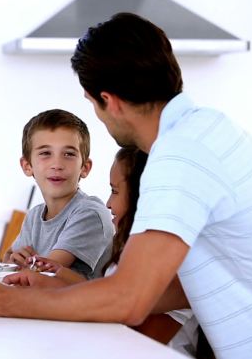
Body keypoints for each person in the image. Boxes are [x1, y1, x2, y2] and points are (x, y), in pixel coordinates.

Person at [0, 13, 252, 359]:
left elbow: (129, 300)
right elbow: (177, 290)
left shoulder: (180, 155)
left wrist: (2, 301)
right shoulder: (209, 131)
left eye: (92, 105)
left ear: (109, 100)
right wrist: (56, 292)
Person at [38, 147, 202, 357]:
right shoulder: (125, 250)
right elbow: (110, 299)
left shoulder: (173, 267)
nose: (108, 203)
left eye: (115, 191)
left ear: (143, 197)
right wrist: (59, 276)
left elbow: (134, 342)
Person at [2, 109, 114, 279]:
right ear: (27, 166)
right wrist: (13, 259)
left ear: (85, 168)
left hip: (80, 305)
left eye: (68, 154)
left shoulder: (90, 214)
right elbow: (8, 260)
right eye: (45, 153)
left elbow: (44, 273)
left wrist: (20, 267)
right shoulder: (34, 216)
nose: (57, 164)